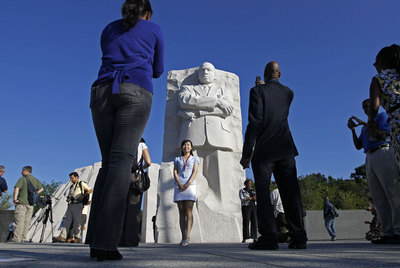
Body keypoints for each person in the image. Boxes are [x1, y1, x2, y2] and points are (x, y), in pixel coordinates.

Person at [85, 0, 163, 261]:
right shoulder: (153, 30)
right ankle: (106, 244)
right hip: (135, 90)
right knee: (122, 163)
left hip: (102, 91)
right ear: (147, 14)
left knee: (108, 164)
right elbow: (158, 69)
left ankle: (95, 239)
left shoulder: (109, 29)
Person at [240, 61, 307, 250]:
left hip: (265, 150)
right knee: (291, 193)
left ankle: (268, 237)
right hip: (285, 149)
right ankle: (299, 236)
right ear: (280, 74)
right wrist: (265, 88)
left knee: (262, 193)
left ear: (264, 74)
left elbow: (255, 122)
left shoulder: (256, 92)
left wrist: (246, 153)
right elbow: (275, 101)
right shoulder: (289, 93)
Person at [349, 99, 400, 244]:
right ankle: (388, 231)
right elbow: (359, 145)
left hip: (383, 151)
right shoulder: (365, 128)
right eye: (363, 106)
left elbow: (383, 135)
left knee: (392, 192)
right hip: (369, 156)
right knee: (379, 197)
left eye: (368, 105)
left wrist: (365, 123)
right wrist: (353, 130)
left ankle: (398, 229)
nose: (365, 108)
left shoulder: (382, 117)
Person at [368, 44, 400, 162]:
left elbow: (374, 106)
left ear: (382, 62)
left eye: (376, 63)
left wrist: (370, 120)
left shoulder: (379, 79)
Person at [120, 137, 151, 247]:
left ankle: (119, 238)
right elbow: (148, 161)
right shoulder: (141, 144)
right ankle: (131, 239)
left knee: (121, 207)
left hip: (121, 176)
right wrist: (142, 167)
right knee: (134, 208)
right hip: (135, 177)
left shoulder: (124, 141)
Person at [173, 139, 200, 247]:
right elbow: (175, 171)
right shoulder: (177, 159)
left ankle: (188, 236)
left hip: (190, 186)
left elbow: (195, 171)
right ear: (182, 147)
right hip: (179, 185)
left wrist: (188, 183)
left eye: (188, 145)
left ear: (191, 147)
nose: (186, 147)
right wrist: (179, 183)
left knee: (189, 210)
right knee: (181, 211)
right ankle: (183, 236)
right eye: (184, 145)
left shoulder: (195, 159)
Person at [54, 172, 92, 243]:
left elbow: (90, 190)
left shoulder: (81, 184)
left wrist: (83, 196)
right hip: (71, 204)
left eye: (72, 178)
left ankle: (77, 237)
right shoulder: (71, 186)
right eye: (70, 178)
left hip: (78, 204)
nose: (71, 180)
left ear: (77, 177)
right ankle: (62, 236)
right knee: (67, 220)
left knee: (77, 222)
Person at [12, 166, 44, 242]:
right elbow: (42, 189)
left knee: (19, 220)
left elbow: (17, 188)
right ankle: (23, 238)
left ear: (24, 171)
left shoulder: (22, 179)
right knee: (27, 221)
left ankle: (17, 238)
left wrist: (15, 199)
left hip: (22, 202)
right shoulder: (35, 180)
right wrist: (35, 194)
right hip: (31, 204)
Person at [239, 179, 257, 243]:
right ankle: (245, 237)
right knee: (246, 222)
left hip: (253, 206)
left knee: (254, 221)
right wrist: (250, 198)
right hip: (246, 207)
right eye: (248, 183)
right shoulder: (242, 191)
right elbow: (242, 198)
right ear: (245, 184)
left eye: (250, 183)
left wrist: (251, 198)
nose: (249, 184)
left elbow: (256, 197)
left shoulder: (253, 190)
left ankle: (254, 237)